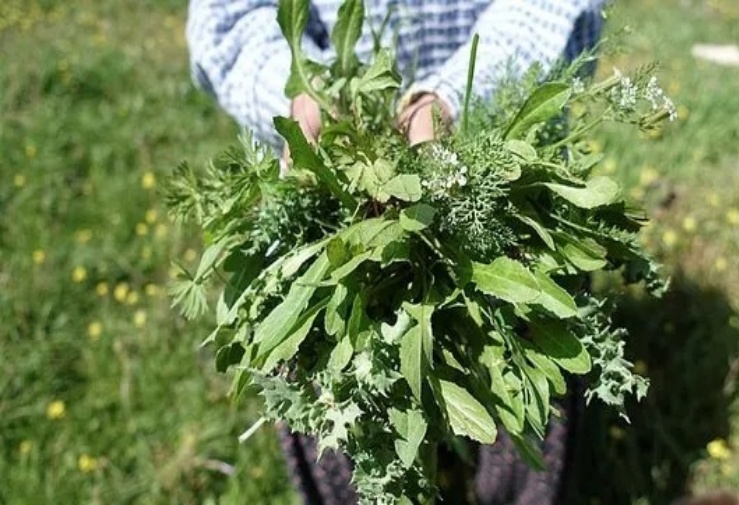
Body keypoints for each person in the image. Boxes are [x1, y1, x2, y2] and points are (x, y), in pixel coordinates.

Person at [185, 1, 606, 503]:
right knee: (342, 421)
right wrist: (301, 94)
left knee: (530, 392)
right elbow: (228, 19)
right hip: (322, 202)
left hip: (498, 177)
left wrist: (451, 101)